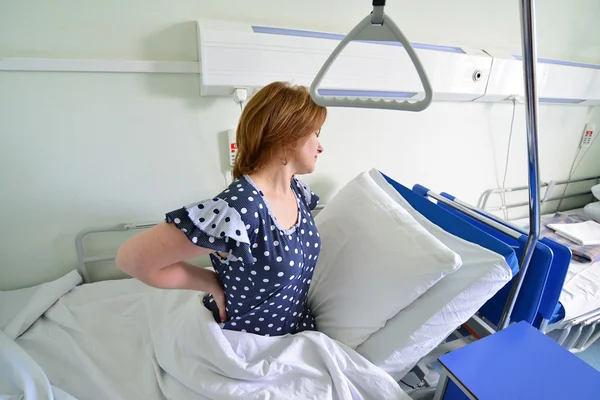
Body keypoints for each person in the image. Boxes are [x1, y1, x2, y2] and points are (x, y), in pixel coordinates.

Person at [115, 81, 326, 337]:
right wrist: (210, 282)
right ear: (286, 135)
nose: (320, 146)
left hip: (295, 332)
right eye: (315, 133)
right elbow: (131, 259)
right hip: (246, 342)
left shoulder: (298, 192)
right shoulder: (240, 210)